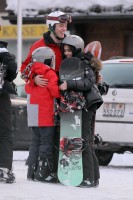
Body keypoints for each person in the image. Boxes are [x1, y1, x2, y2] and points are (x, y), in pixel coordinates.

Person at [21, 10, 72, 176]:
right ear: (51, 26)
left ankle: (52, 170)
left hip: (62, 97)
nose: (64, 28)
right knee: (42, 138)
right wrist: (33, 78)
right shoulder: (39, 45)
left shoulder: (68, 44)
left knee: (56, 137)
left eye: (65, 25)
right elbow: (24, 69)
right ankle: (35, 171)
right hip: (47, 99)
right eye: (60, 25)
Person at [59, 35, 103, 188]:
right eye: (65, 50)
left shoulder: (83, 62)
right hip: (86, 105)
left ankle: (88, 179)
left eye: (69, 50)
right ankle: (94, 177)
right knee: (88, 141)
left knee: (84, 140)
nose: (67, 53)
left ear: (76, 49)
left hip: (88, 105)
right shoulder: (76, 63)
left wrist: (68, 84)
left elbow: (88, 82)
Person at [25, 46, 60, 183]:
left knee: (35, 142)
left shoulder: (31, 73)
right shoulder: (49, 73)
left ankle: (31, 171)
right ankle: (43, 172)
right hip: (45, 113)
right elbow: (54, 92)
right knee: (46, 143)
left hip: (33, 113)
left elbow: (27, 88)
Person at [0, 24, 17, 183]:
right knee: (4, 133)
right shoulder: (2, 51)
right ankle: (4, 169)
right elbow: (12, 68)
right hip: (1, 95)